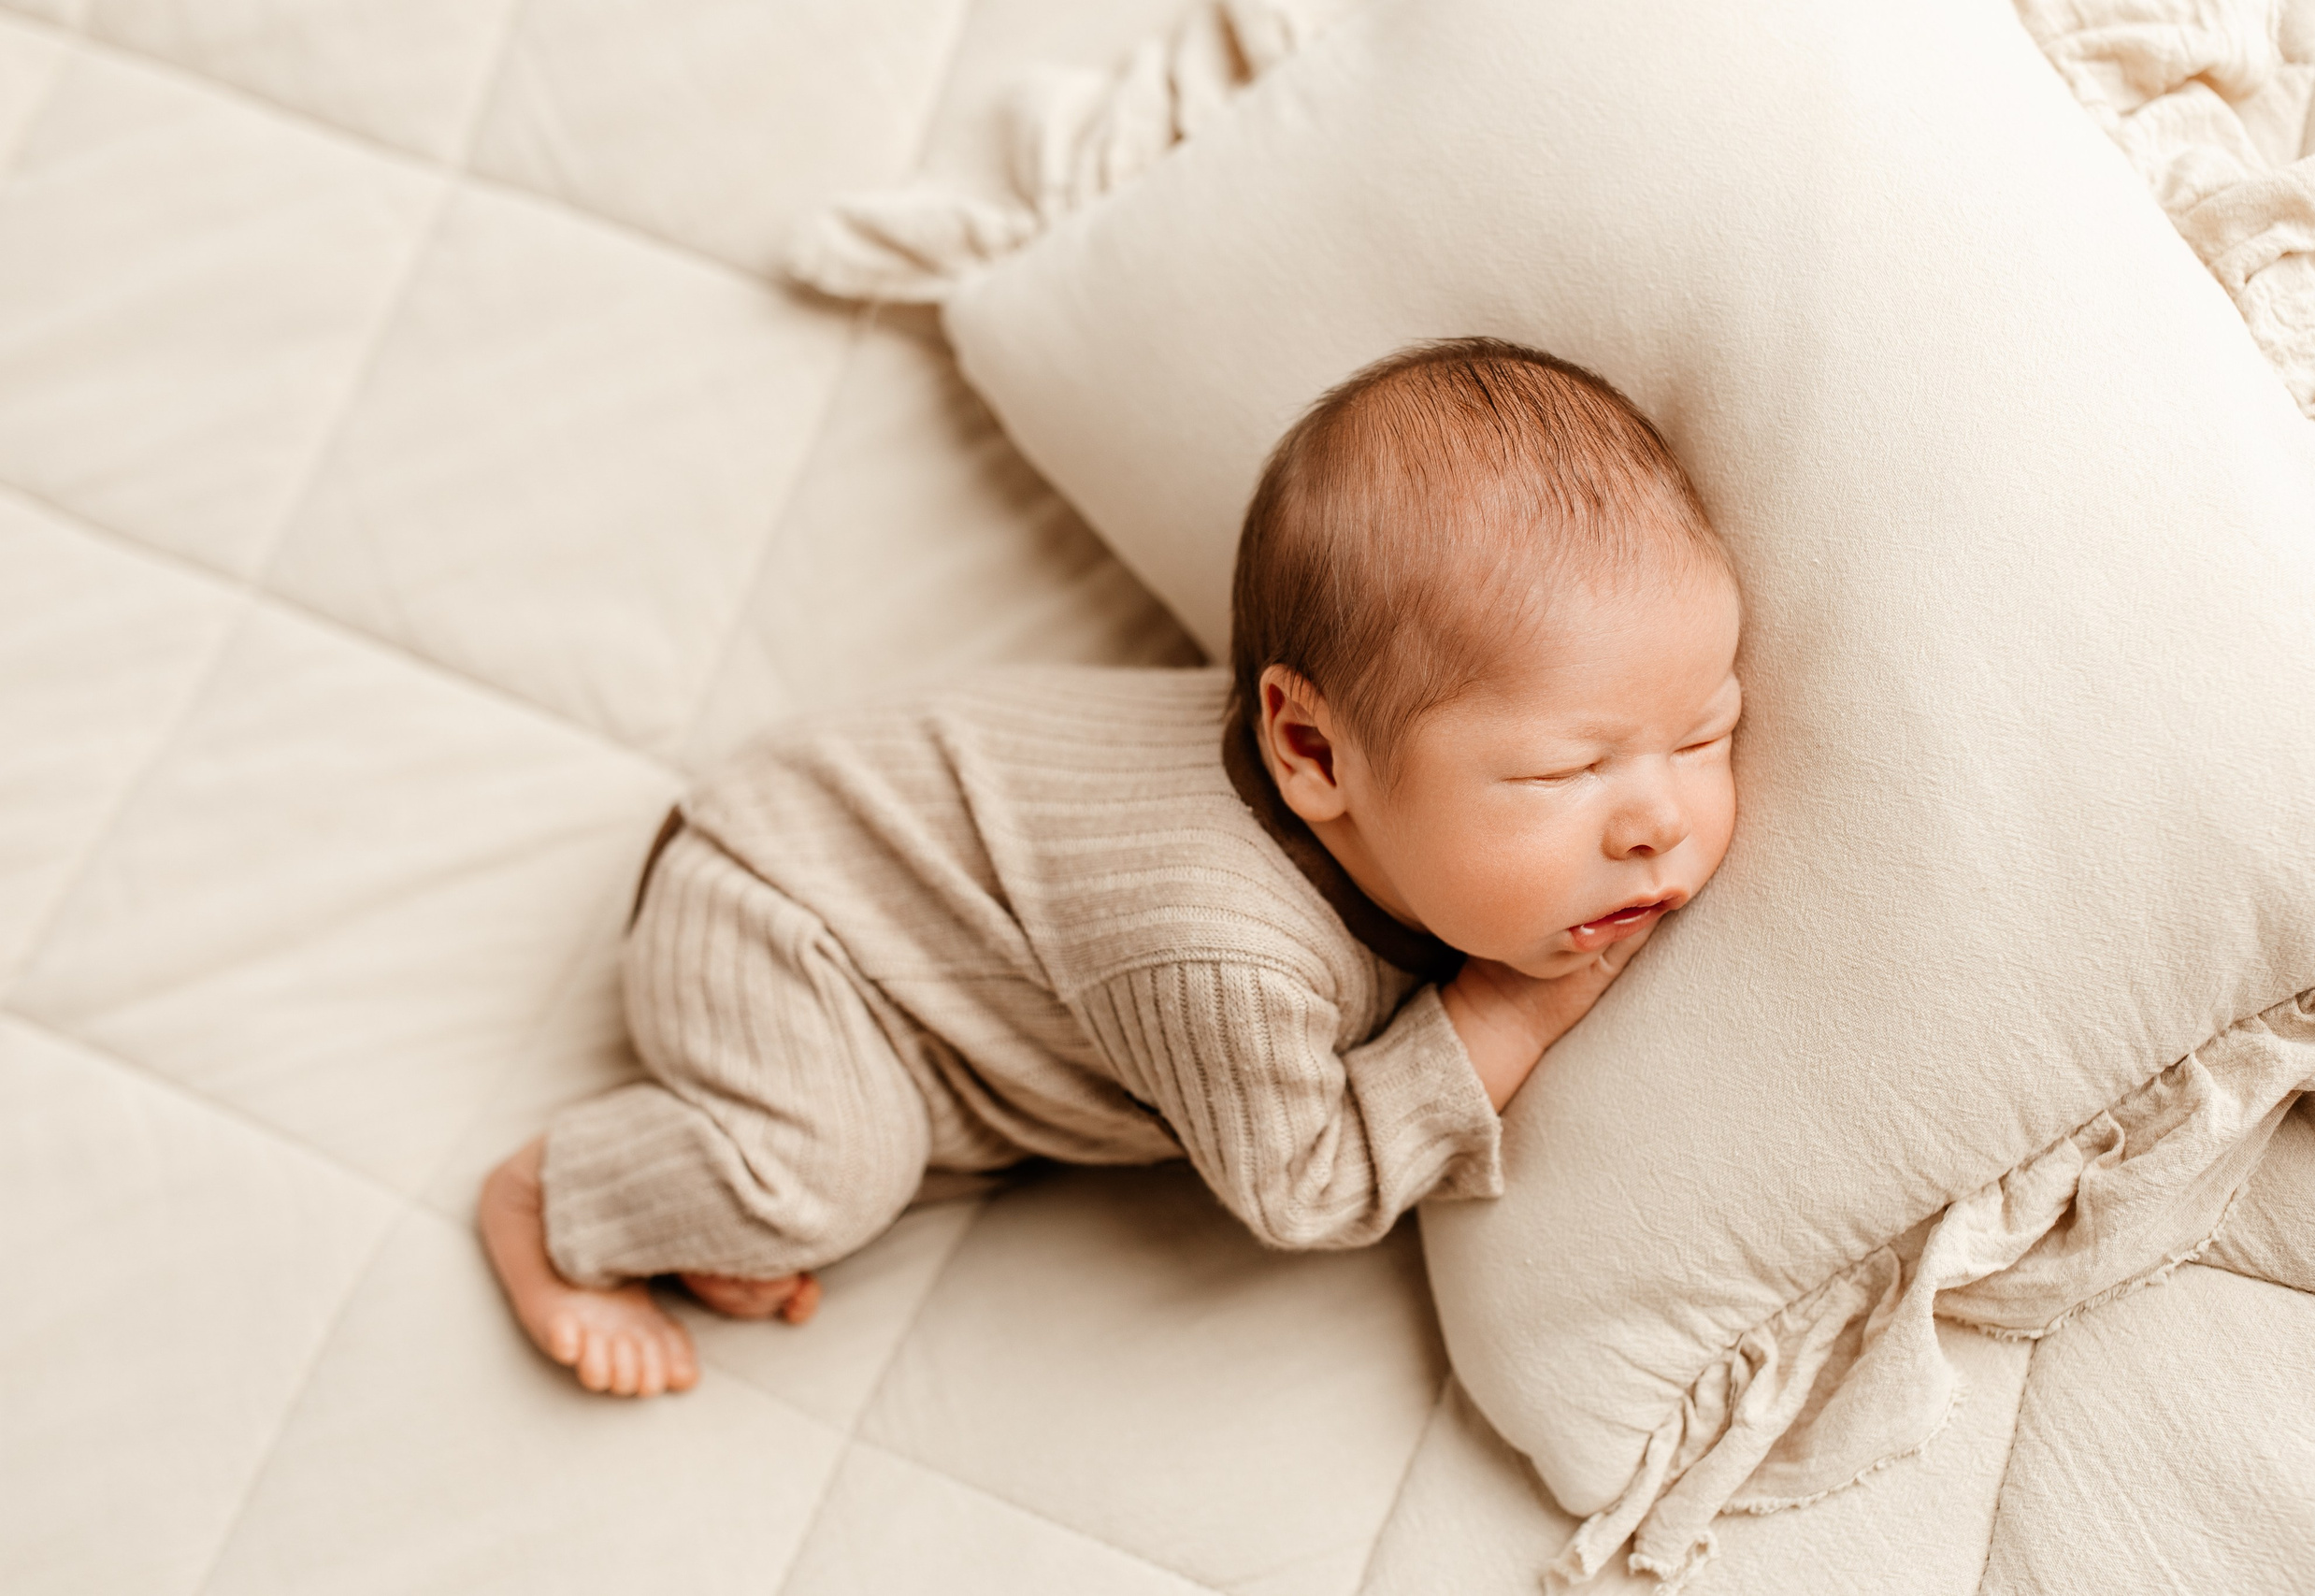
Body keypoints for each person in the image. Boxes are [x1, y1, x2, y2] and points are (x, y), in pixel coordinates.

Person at [478, 338, 1743, 1397]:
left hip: (891, 908)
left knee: (892, 1131)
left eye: (1704, 734)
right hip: (779, 913)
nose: (1655, 821)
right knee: (817, 1184)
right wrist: (1504, 1010)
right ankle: (562, 1201)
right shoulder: (1222, 949)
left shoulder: (1388, 790)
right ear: (1310, 749)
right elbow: (1303, 1188)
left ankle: (742, 1161)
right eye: (1564, 775)